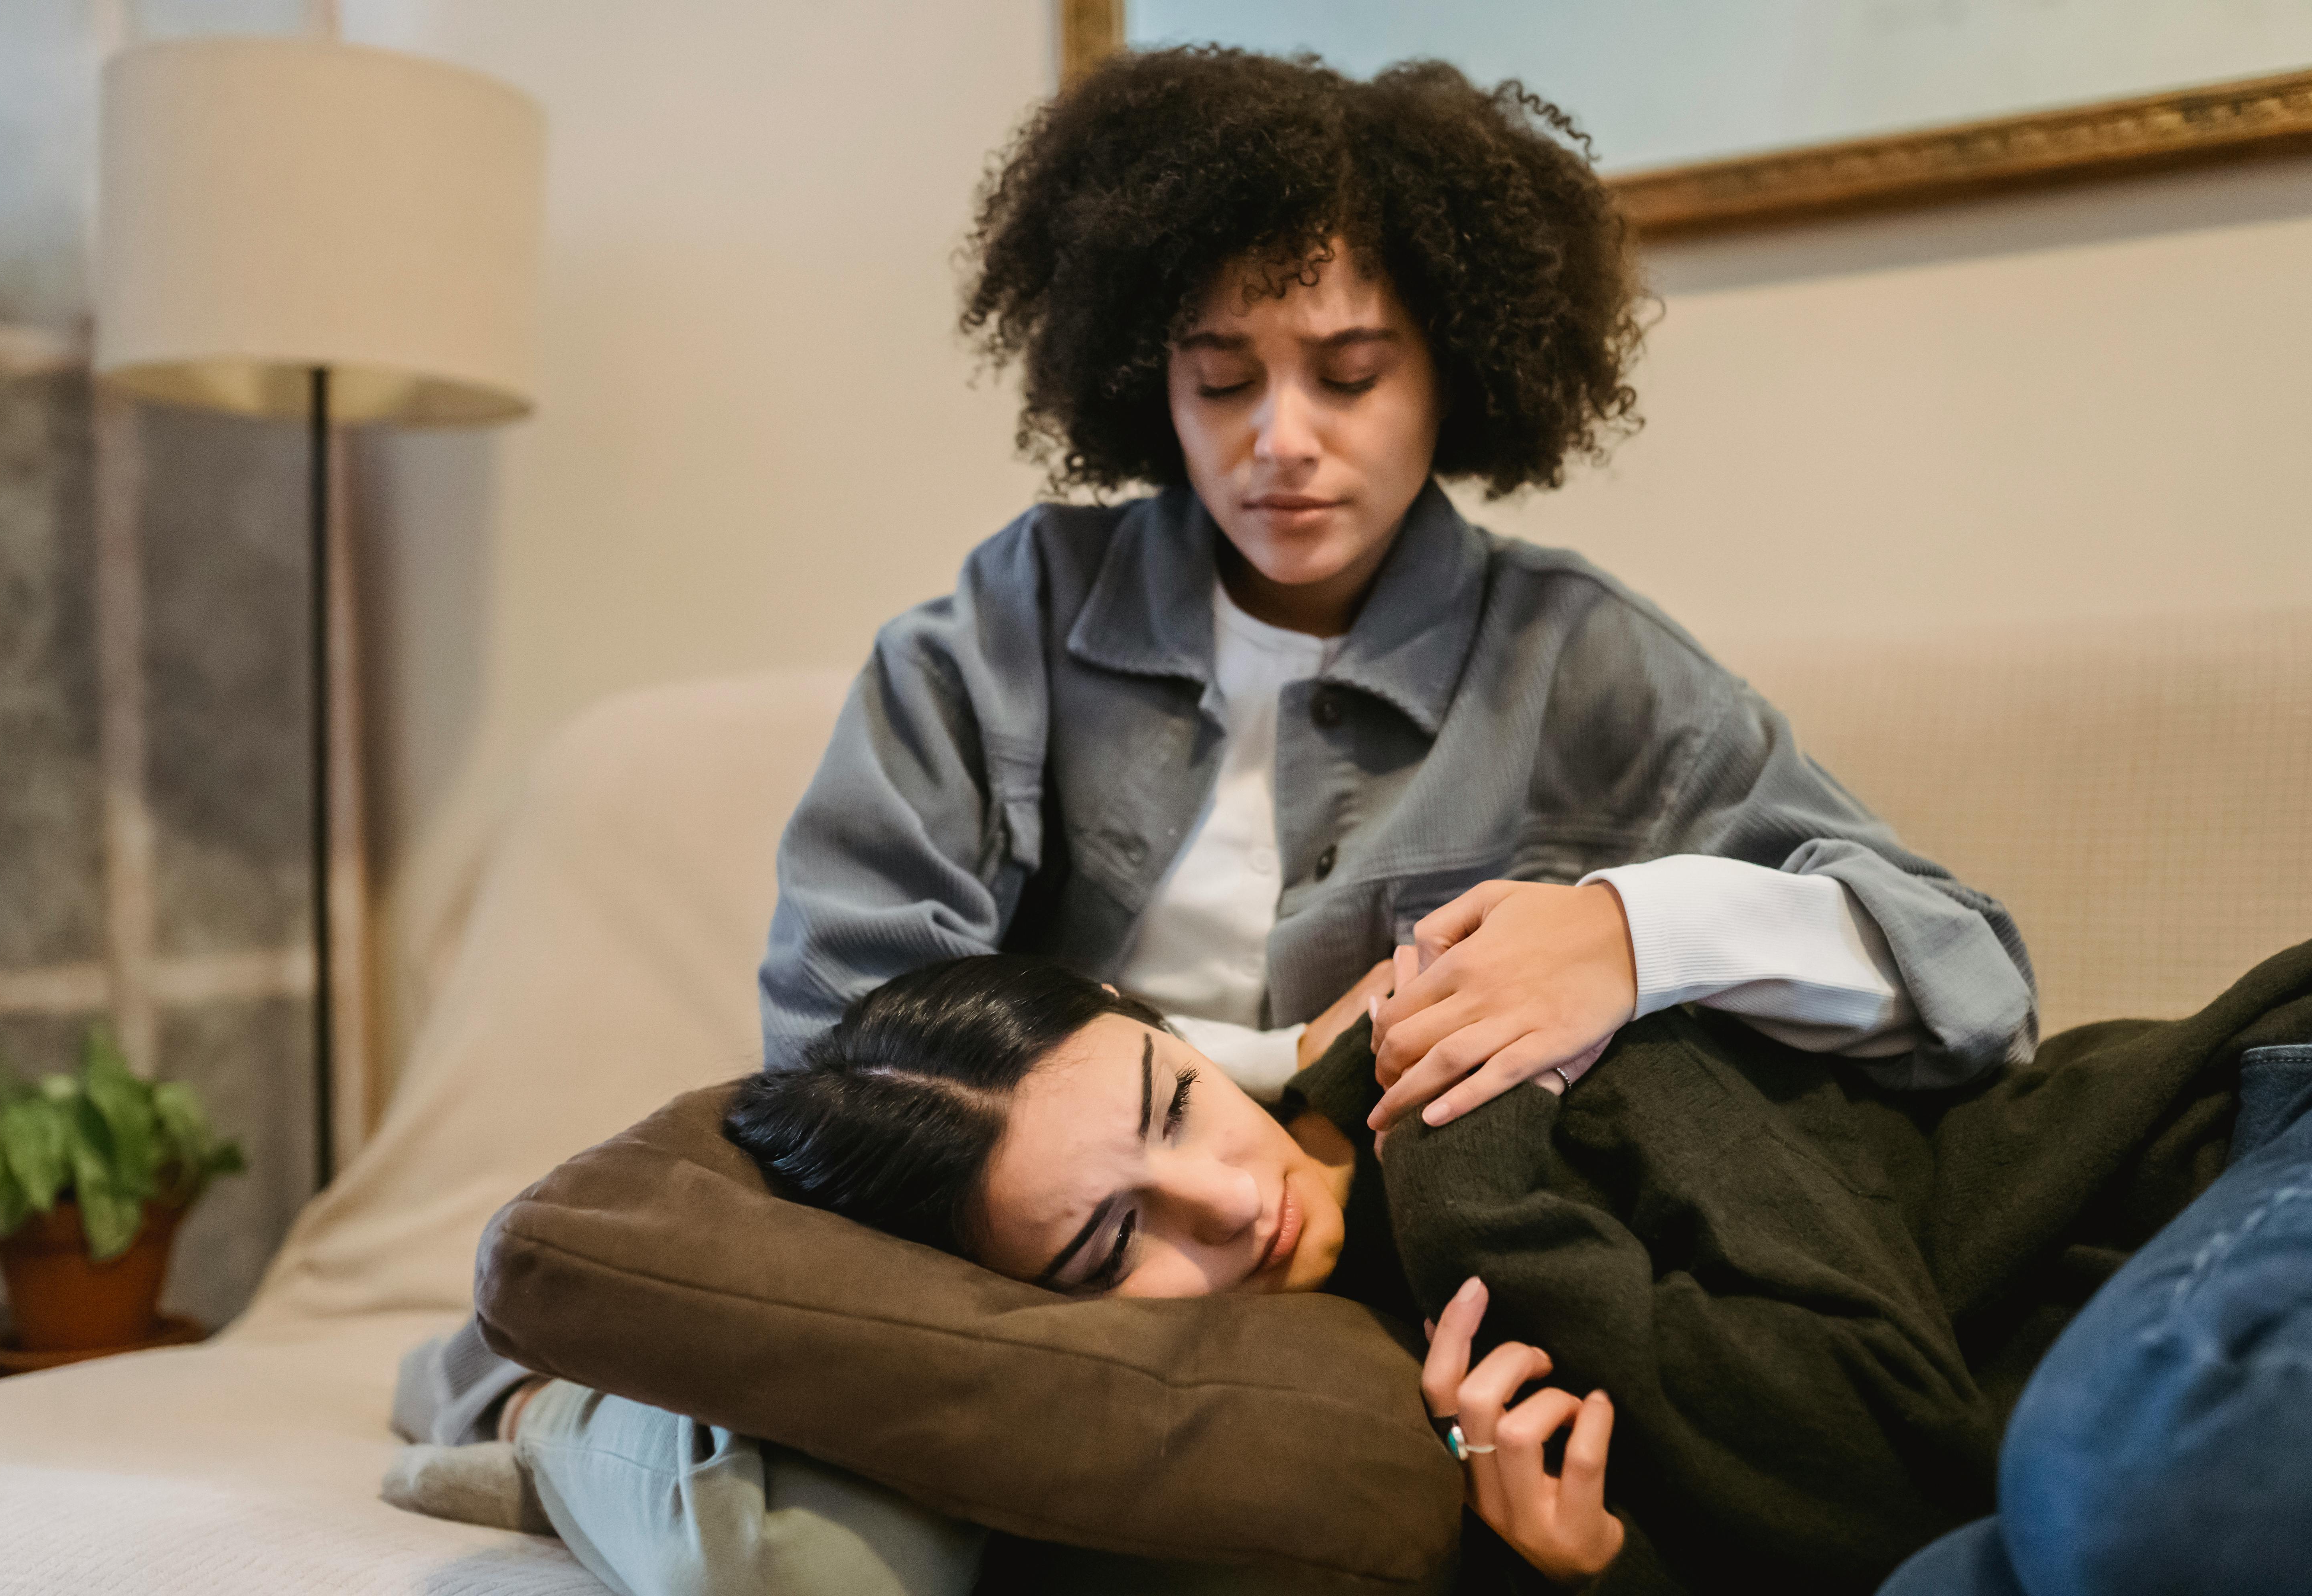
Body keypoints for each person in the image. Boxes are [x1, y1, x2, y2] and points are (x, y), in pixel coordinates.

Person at [760, 45, 2039, 1133]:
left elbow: (1972, 983)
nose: (1280, 439)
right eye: (1220, 378)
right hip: (1057, 1255)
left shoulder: (1575, 658)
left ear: (1457, 370)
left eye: (1351, 374)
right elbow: (840, 1027)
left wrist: (1632, 935)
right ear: (1147, 379)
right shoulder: (1017, 620)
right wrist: (1277, 1063)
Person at [717, 946, 2312, 1594]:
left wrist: (1489, 1210)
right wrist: (1584, 1575)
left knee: (2124, 1495)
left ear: (1170, 1025)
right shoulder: (1330, 1405)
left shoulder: (1492, 1048)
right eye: (1111, 1237)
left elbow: (1894, 1450)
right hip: (2084, 1406)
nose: (1224, 1197)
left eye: (1176, 1099)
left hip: (2245, 1150)